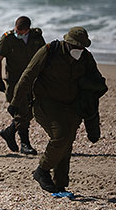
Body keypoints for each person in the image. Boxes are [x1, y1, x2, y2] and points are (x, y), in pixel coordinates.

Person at [10, 27, 106, 195]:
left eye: (82, 48)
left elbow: (97, 81)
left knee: (67, 142)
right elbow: (28, 75)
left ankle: (59, 184)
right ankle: (42, 170)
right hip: (45, 104)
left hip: (72, 106)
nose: (78, 50)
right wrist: (15, 102)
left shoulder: (86, 57)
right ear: (67, 43)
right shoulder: (49, 51)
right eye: (76, 47)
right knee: (60, 135)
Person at [0, 16, 46, 155]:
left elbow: (44, 56)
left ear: (28, 30)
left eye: (22, 32)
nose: (19, 34)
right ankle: (25, 144)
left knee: (31, 111)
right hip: (15, 82)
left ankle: (9, 131)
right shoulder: (8, 38)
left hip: (32, 80)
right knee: (21, 111)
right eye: (17, 31)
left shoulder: (36, 37)